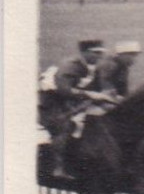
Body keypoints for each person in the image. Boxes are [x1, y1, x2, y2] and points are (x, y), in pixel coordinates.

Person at [40, 39, 113, 179]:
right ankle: (58, 167)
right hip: (50, 102)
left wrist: (108, 98)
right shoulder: (70, 66)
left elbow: (96, 89)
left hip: (68, 101)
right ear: (84, 52)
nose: (99, 56)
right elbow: (64, 90)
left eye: (101, 53)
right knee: (64, 126)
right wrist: (89, 94)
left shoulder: (93, 68)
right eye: (96, 53)